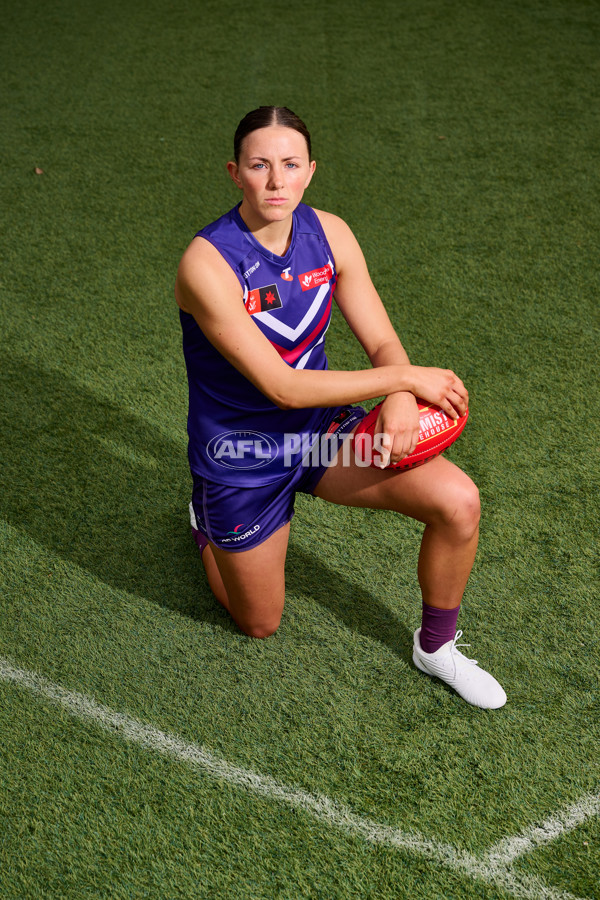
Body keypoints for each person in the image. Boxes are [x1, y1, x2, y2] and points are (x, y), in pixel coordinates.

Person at [175, 106, 506, 709]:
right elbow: (281, 387)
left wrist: (401, 395)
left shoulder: (330, 234)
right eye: (259, 165)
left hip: (320, 438)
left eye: (290, 165)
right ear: (234, 172)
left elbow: (381, 339)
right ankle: (205, 526)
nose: (276, 181)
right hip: (242, 453)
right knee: (259, 623)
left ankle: (436, 647)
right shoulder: (206, 264)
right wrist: (403, 378)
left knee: (459, 502)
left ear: (310, 172)